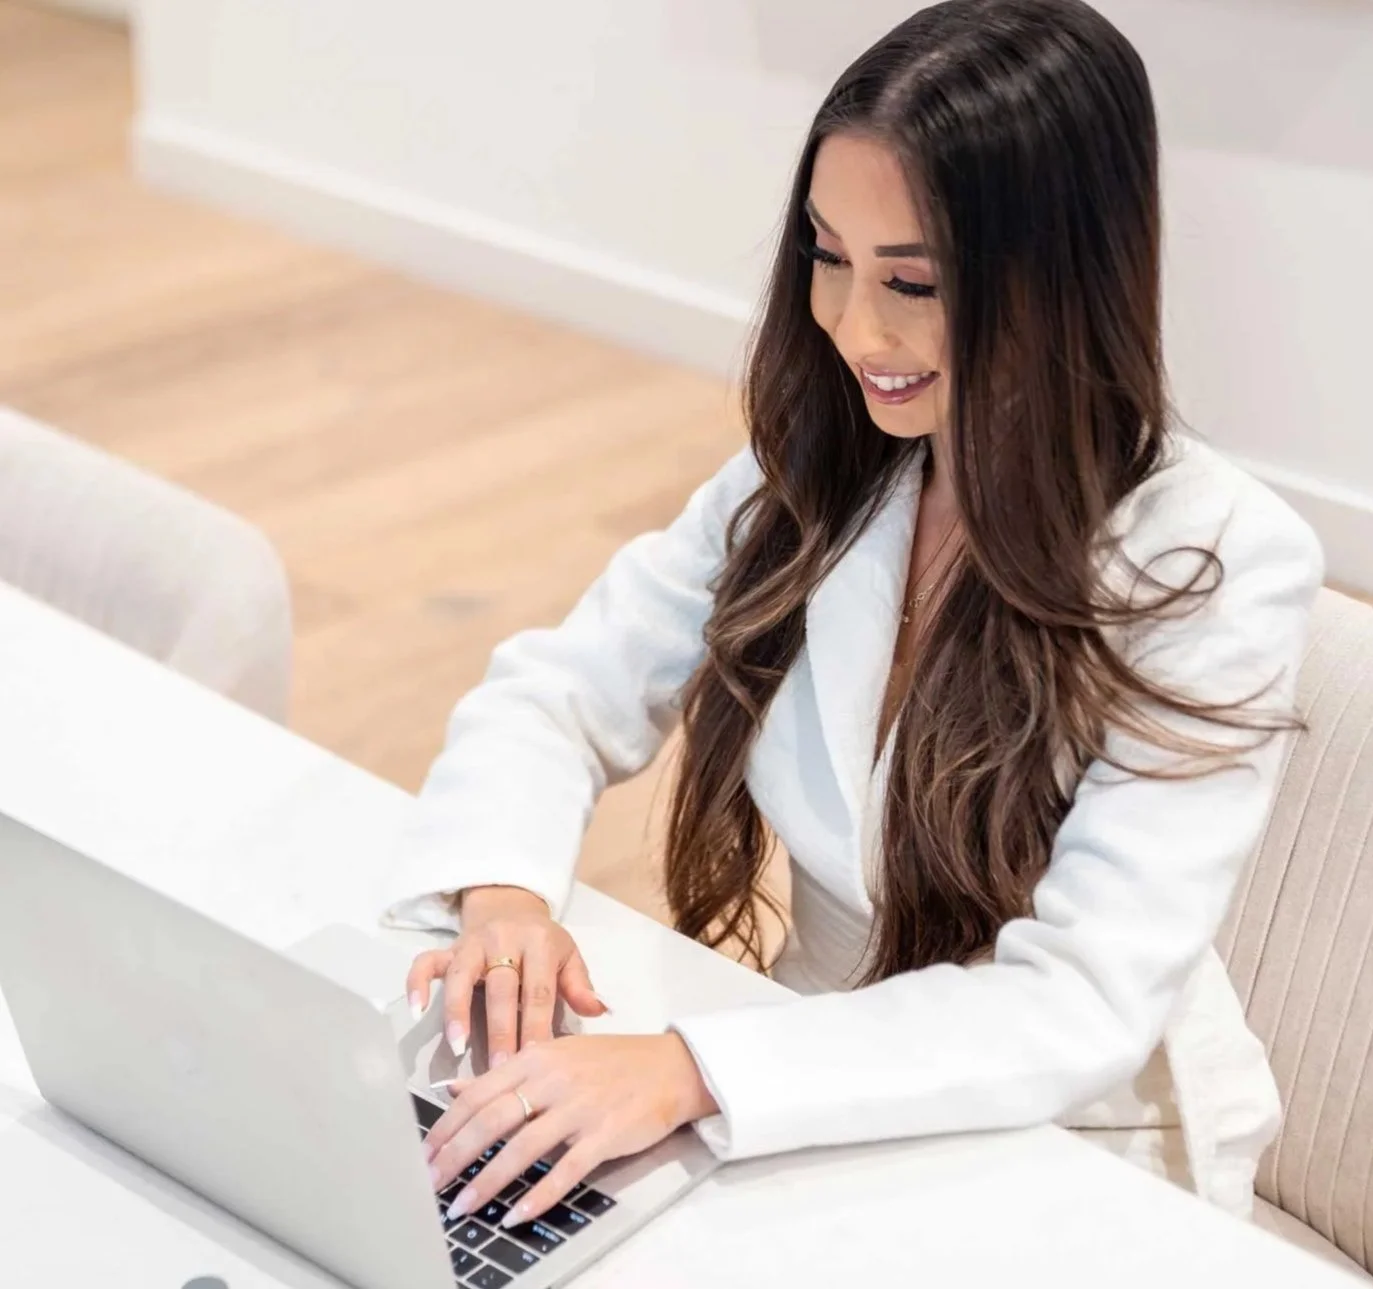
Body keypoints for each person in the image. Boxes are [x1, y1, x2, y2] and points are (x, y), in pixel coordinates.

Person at [383, 0, 1323, 1234]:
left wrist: (691, 1069)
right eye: (828, 256)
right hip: (791, 1089)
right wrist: (503, 890)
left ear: (1067, 279)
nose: (854, 327)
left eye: (915, 282)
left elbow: (1076, 1002)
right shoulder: (827, 467)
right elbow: (559, 689)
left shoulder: (1215, 564)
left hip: (1069, 1153)